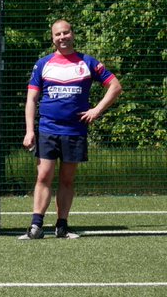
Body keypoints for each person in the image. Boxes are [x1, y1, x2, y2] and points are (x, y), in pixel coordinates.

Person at [20, 19, 122, 240]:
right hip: (47, 129)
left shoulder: (88, 62)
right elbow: (31, 99)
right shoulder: (43, 64)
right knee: (43, 176)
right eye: (58, 34)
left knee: (67, 180)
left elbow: (115, 86)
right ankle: (36, 226)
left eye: (66, 33)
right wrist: (29, 130)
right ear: (52, 38)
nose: (62, 37)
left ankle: (62, 226)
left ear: (72, 34)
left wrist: (96, 110)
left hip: (75, 131)